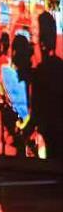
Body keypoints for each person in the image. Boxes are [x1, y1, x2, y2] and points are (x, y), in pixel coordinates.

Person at [28, 11, 62, 159]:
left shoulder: (41, 73)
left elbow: (35, 115)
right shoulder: (58, 67)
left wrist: (23, 133)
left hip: (51, 144)